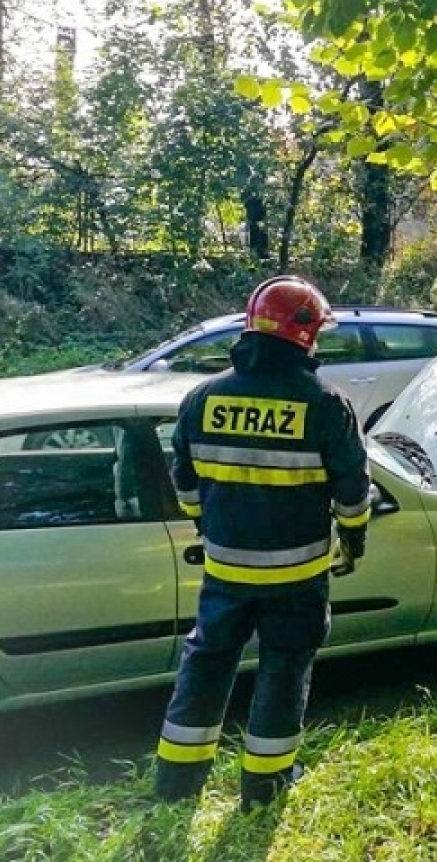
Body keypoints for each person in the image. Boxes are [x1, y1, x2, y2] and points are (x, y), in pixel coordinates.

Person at [153, 275, 370, 812]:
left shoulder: (202, 399)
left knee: (206, 662)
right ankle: (265, 787)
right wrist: (354, 537)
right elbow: (352, 489)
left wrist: (211, 527)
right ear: (304, 332)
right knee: (285, 666)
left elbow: (184, 483)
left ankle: (177, 783)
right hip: (297, 576)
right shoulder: (324, 404)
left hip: (226, 571)